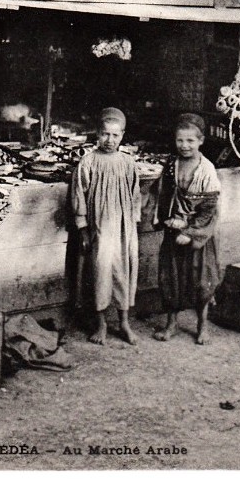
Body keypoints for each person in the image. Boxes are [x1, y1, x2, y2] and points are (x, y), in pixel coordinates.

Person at [71, 107, 141, 345]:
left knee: (124, 273)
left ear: (122, 136)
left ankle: (123, 323)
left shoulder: (128, 163)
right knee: (100, 272)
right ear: (97, 134)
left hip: (124, 229)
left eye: (115, 135)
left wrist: (133, 224)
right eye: (105, 134)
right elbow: (79, 194)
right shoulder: (88, 162)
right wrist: (82, 227)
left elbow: (135, 195)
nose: (110, 140)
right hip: (99, 227)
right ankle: (100, 324)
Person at [153, 113, 222, 345]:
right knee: (170, 278)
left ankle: (202, 326)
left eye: (190, 141)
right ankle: (171, 323)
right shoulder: (171, 166)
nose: (184, 146)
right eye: (180, 140)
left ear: (201, 141)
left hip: (198, 237)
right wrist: (167, 219)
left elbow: (210, 208)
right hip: (173, 233)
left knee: (201, 283)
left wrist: (189, 232)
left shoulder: (207, 170)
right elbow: (163, 195)